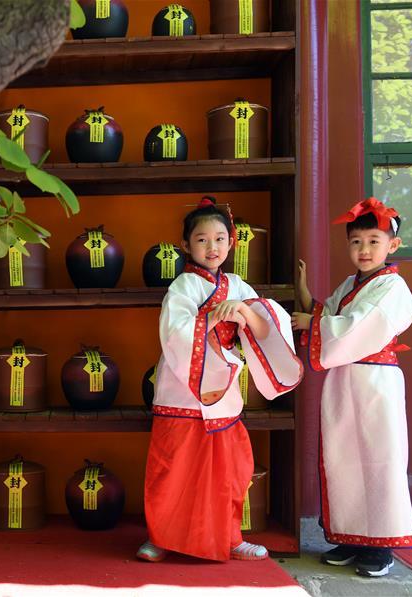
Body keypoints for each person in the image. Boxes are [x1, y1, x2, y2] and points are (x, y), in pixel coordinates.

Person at [137, 197, 303, 563]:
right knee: (172, 467)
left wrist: (243, 310)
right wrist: (211, 317)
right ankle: (160, 536)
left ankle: (229, 536)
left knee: (230, 470)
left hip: (223, 388)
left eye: (219, 238)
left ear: (231, 243)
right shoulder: (182, 286)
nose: (212, 247)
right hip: (181, 387)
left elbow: (265, 328)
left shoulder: (238, 285)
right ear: (186, 245)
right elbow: (174, 332)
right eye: (201, 239)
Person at [291, 197, 412, 578]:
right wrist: (303, 292)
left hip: (375, 381)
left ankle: (383, 545)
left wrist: (312, 324)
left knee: (380, 459)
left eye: (373, 241)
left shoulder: (393, 288)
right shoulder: (351, 283)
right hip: (345, 380)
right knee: (344, 458)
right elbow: (328, 316)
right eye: (356, 242)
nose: (364, 250)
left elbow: (357, 327)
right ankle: (352, 537)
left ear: (392, 246)